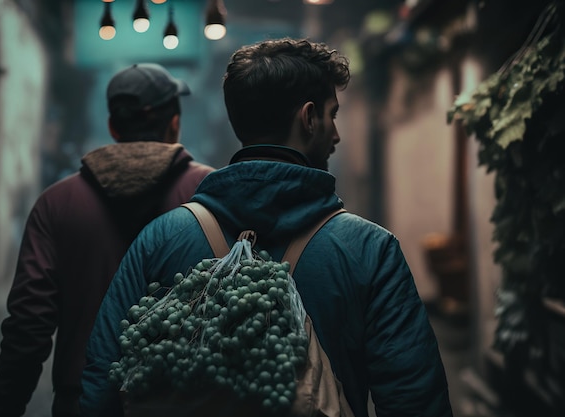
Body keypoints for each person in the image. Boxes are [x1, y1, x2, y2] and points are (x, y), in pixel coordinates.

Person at [80, 38, 453, 417]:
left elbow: (103, 383)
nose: (336, 135)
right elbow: (414, 400)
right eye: (332, 115)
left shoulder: (160, 237)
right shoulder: (369, 249)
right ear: (308, 118)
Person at [0, 63, 215, 417]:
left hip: (81, 402)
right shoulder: (210, 193)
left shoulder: (56, 203)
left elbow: (28, 325)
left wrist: (5, 408)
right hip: (186, 401)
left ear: (113, 126)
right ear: (175, 123)